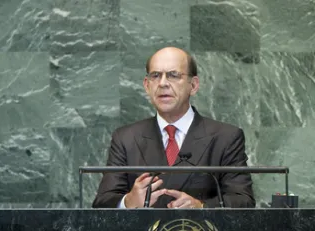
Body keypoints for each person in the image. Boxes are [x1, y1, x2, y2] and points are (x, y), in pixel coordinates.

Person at [92, 47, 255, 209]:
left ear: (194, 85)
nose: (163, 83)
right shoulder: (126, 138)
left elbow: (243, 200)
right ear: (147, 85)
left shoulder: (225, 137)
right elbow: (103, 202)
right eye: (156, 76)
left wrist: (202, 207)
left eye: (173, 75)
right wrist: (128, 202)